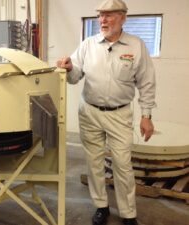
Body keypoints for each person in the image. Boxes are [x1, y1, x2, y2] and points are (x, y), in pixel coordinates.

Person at [57, 0, 156, 225]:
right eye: (101, 15)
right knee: (94, 162)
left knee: (123, 165)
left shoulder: (136, 46)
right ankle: (101, 206)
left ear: (123, 18)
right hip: (90, 112)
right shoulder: (88, 45)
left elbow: (147, 82)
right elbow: (74, 77)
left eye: (109, 15)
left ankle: (128, 214)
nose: (103, 20)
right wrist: (69, 67)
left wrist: (147, 115)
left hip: (120, 114)